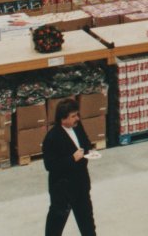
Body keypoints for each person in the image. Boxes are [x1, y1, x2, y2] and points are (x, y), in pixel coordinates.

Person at [41, 98, 97, 236]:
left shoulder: (77, 126)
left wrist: (90, 151)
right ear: (62, 119)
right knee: (56, 224)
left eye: (77, 114)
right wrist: (72, 159)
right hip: (62, 189)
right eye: (73, 116)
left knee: (87, 224)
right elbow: (50, 165)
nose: (77, 118)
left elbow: (86, 142)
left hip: (81, 185)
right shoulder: (52, 138)